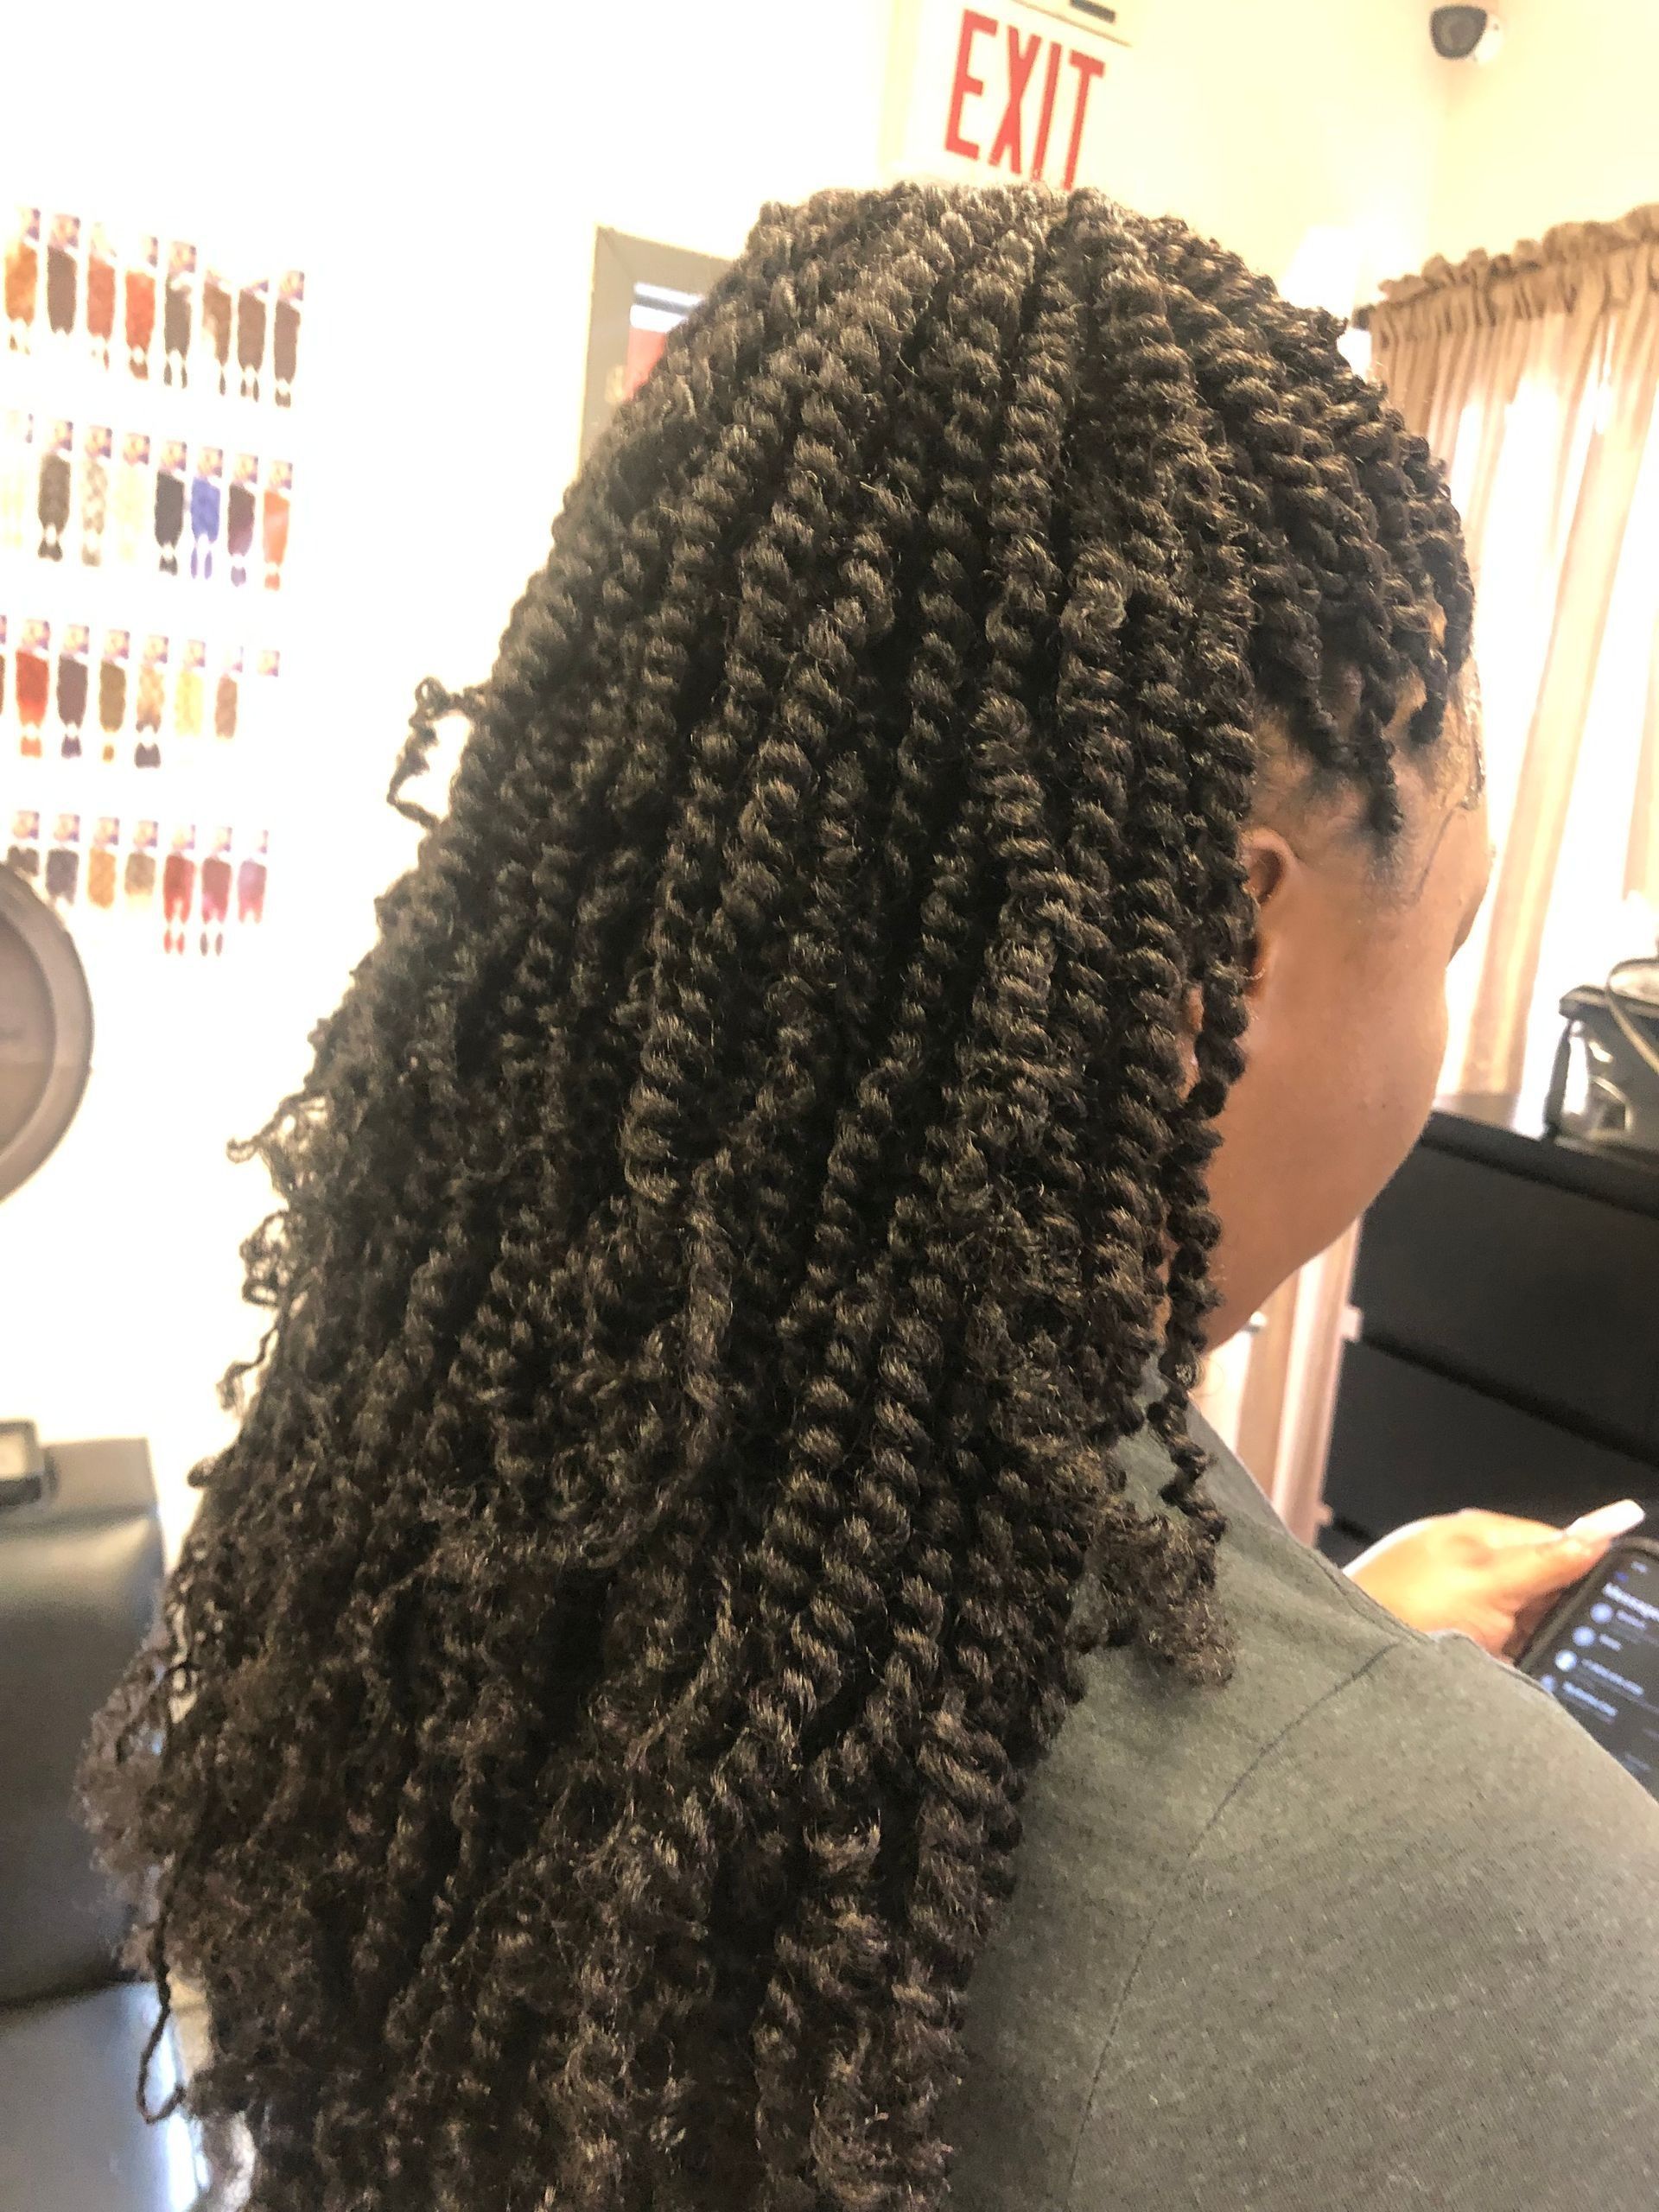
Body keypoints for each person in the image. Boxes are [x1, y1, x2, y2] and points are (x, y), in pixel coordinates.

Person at [83, 183, 1659, 2212]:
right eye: (1451, 929)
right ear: (1223, 956)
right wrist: (1377, 1775)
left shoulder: (454, 1490)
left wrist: (1321, 1679)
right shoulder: (1546, 1939)